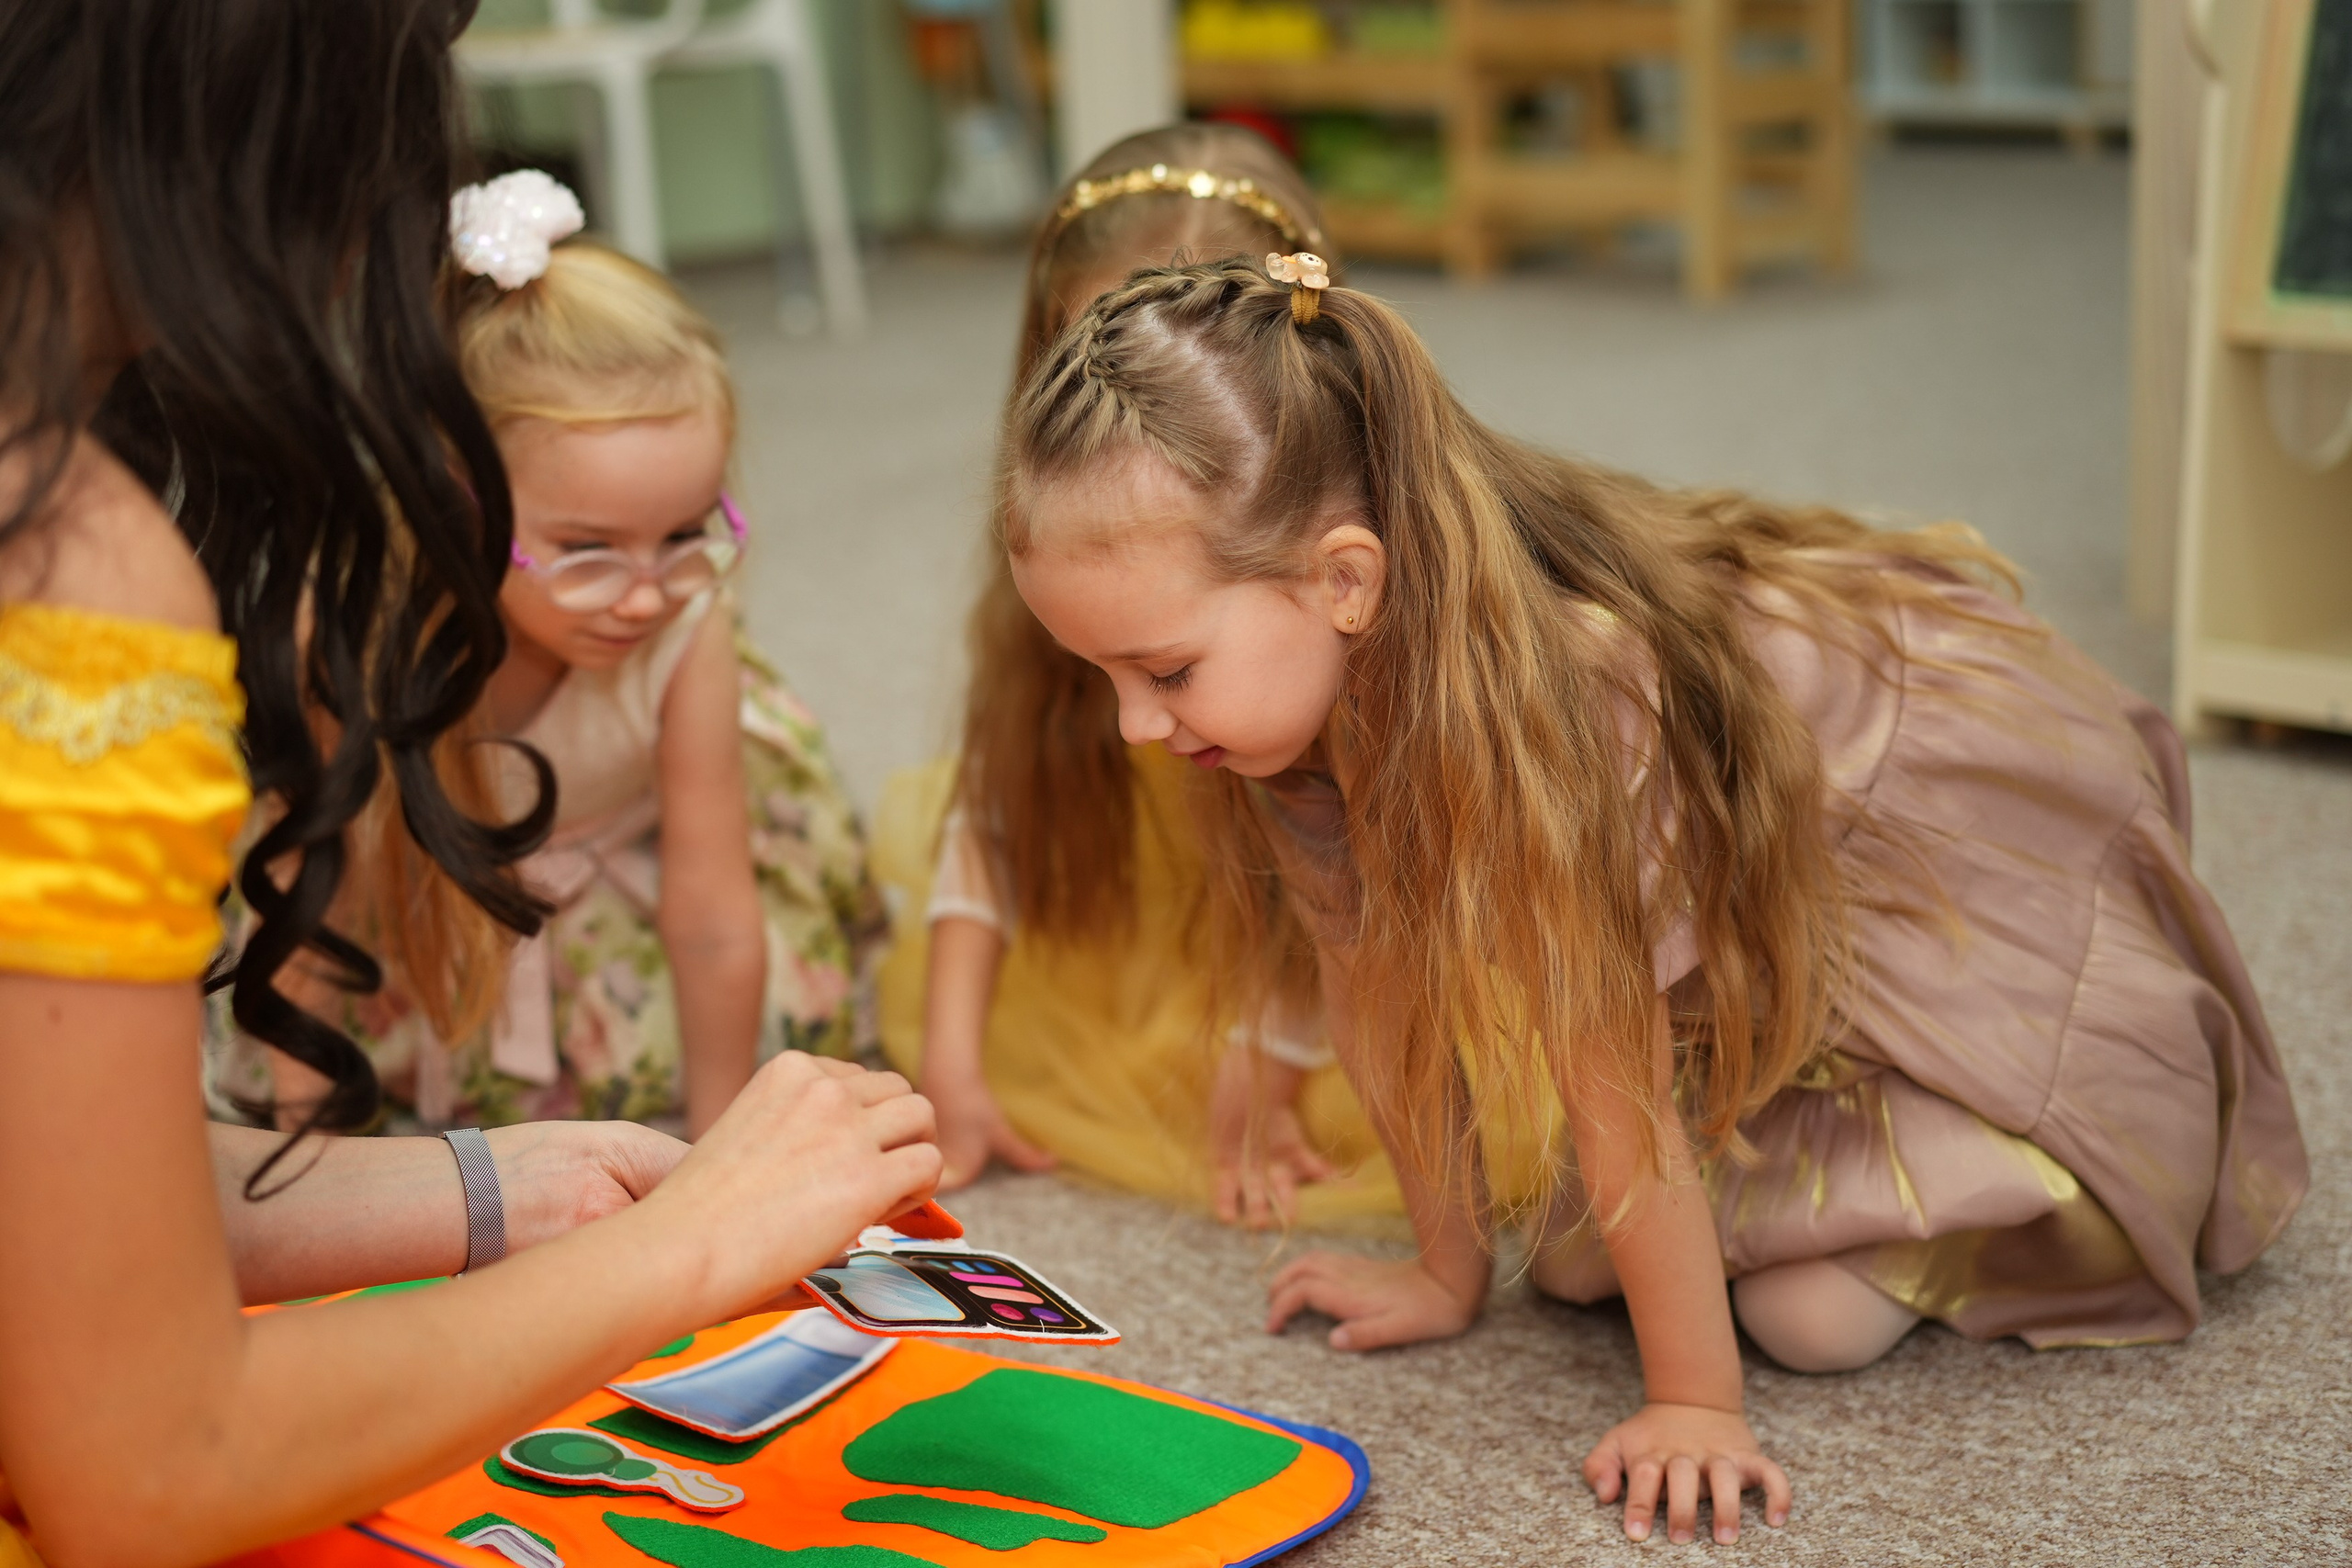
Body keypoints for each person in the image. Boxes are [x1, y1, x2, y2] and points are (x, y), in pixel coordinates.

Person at [995, 256, 2307, 1546]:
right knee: (1578, 1262)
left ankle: (1964, 1151)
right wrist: (1447, 1270)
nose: (1133, 726)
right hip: (1742, 903)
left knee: (1805, 1321)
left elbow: (1611, 1078)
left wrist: (1695, 1403)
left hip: (1931, 878)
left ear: (1346, 582)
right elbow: (1371, 985)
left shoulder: (1560, 706)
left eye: (1164, 671)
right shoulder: (1278, 714)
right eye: (1104, 677)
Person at [0, 6, 936, 1562]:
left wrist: (501, 1185)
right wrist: (692, 1247)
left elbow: (52, 1195)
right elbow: (150, 1461)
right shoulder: (67, 564)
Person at [216, 173, 885, 1140]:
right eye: (587, 550)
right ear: (457, 501)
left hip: (629, 894)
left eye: (686, 533)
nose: (646, 596)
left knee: (781, 1035)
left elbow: (710, 916)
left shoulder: (686, 627)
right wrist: (303, 1147)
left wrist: (719, 1151)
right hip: (421, 911)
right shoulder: (349, 636)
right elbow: (312, 909)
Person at [876, 123, 1394, 1225]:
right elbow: (999, 797)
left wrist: (1272, 1048)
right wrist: (949, 1057)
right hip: (1137, 909)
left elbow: (1344, 859)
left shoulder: (1319, 605)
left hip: (1328, 944)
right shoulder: (1072, 556)